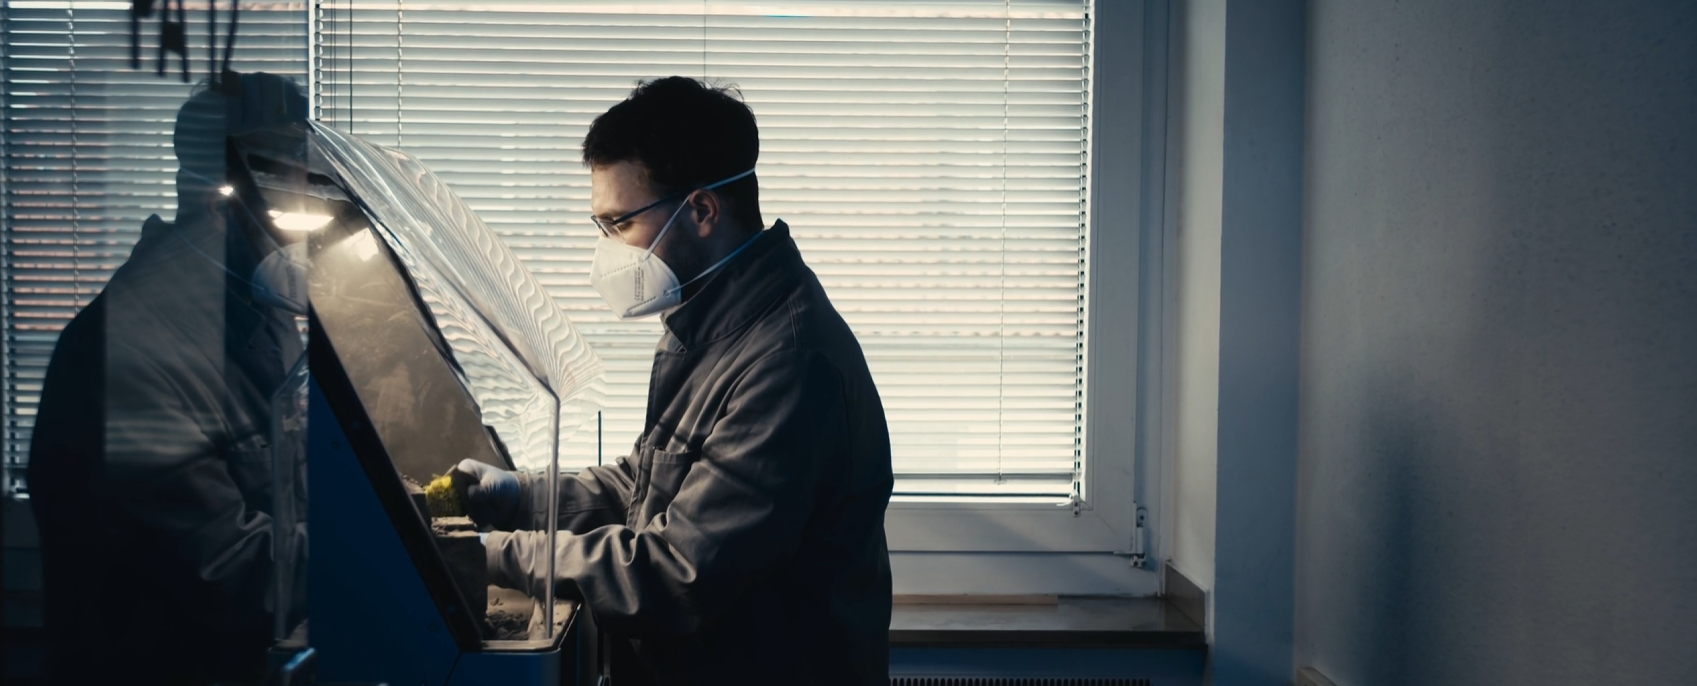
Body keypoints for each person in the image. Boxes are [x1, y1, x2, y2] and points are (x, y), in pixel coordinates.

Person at [456, 76, 894, 684]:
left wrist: (489, 555)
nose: (606, 251)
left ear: (703, 210)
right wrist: (520, 498)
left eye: (618, 224)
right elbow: (646, 483)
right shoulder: (711, 320)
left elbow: (675, 572)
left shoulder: (788, 363)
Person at [26, 73, 310, 685]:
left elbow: (295, 485)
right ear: (225, 195)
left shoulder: (256, 307)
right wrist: (404, 559)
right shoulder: (126, 354)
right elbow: (232, 575)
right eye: (288, 194)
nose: (302, 223)